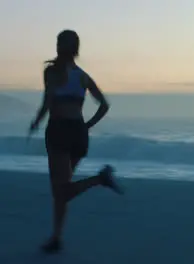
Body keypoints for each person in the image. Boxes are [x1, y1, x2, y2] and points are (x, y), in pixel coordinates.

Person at [29, 29, 123, 253]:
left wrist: (36, 121)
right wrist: (87, 126)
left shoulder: (51, 72)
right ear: (76, 49)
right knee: (63, 190)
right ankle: (56, 238)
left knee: (61, 191)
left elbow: (47, 102)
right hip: (78, 134)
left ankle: (100, 179)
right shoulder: (83, 76)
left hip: (60, 131)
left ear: (59, 46)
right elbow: (104, 105)